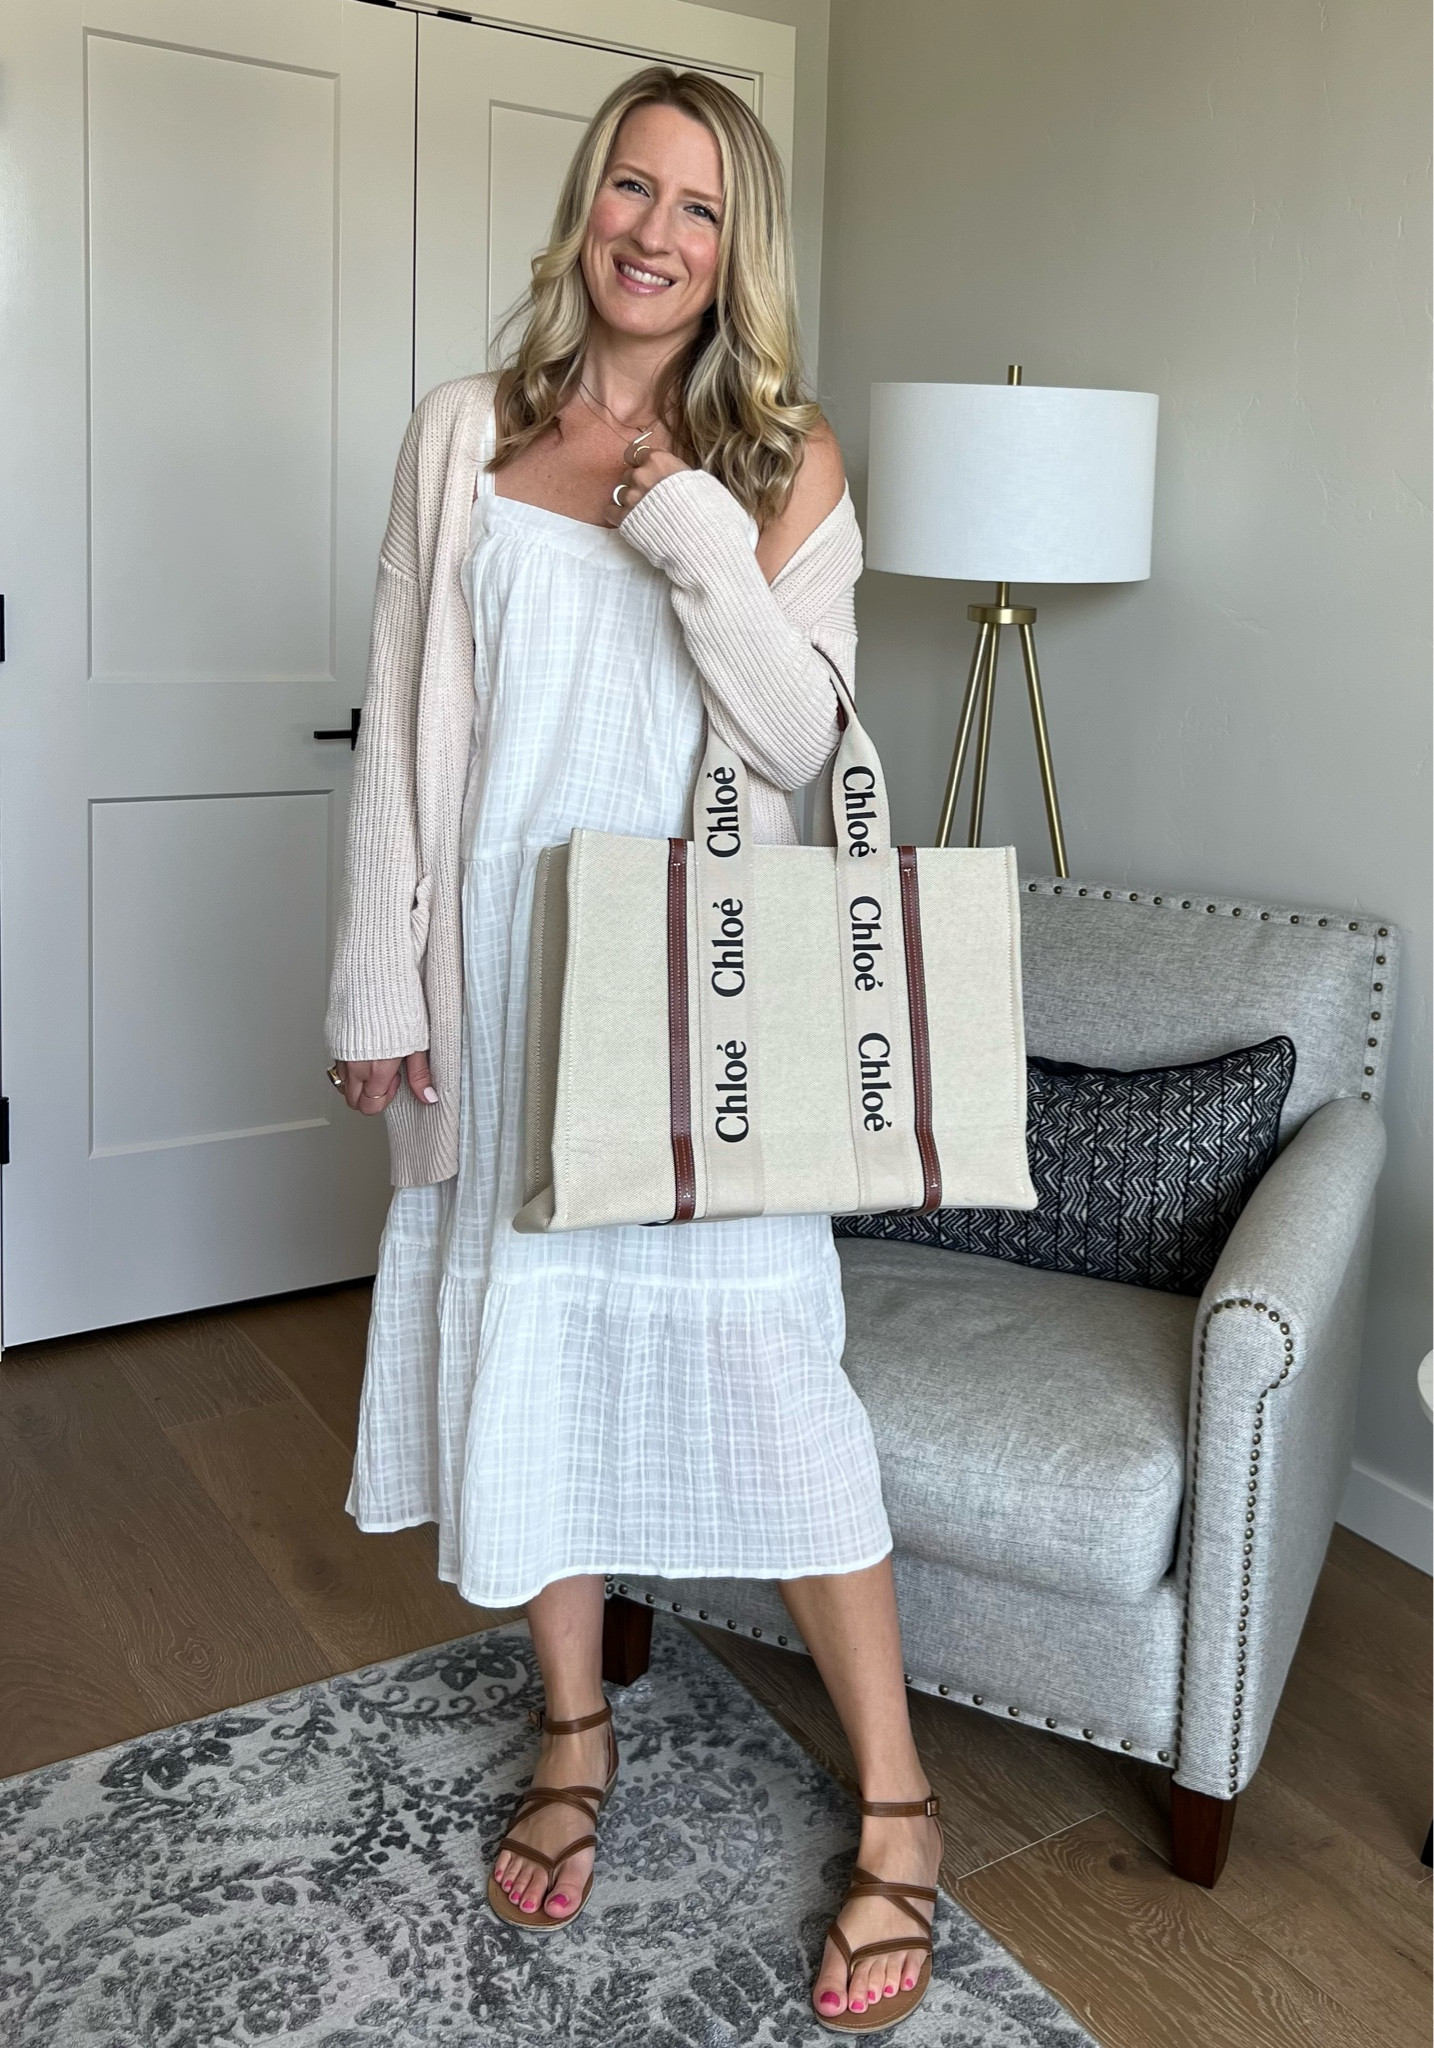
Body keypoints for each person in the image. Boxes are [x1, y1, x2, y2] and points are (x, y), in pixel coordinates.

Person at [325, 65, 941, 2032]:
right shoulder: (460, 435)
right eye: (630, 187)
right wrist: (380, 979)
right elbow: (404, 727)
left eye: (697, 206)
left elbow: (806, 751)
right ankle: (575, 1731)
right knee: (540, 1357)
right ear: (587, 203)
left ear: (734, 247)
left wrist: (690, 529)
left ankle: (901, 1809)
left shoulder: (784, 466)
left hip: (694, 1000)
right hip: (501, 974)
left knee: (782, 1377)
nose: (653, 230)